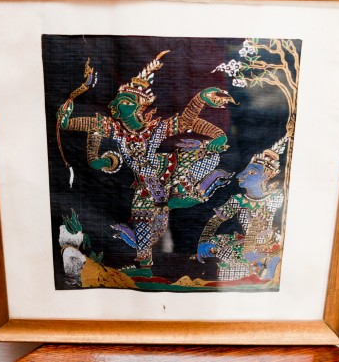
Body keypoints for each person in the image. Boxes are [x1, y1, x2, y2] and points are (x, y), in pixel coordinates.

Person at [57, 51, 236, 269]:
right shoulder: (114, 130)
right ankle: (144, 267)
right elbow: (77, 125)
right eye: (117, 101)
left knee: (209, 157)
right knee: (142, 223)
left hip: (168, 170)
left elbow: (186, 121)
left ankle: (198, 187)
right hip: (144, 184)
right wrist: (69, 115)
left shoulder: (156, 128)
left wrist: (201, 102)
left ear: (138, 106)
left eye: (124, 101)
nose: (116, 104)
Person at [195, 137, 289, 281]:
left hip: (267, 245)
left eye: (252, 173)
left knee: (240, 272)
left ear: (265, 177)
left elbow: (259, 224)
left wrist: (250, 252)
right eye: (245, 171)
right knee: (215, 244)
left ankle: (262, 267)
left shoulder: (274, 198)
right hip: (246, 246)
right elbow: (215, 221)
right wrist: (203, 241)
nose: (241, 176)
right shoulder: (238, 200)